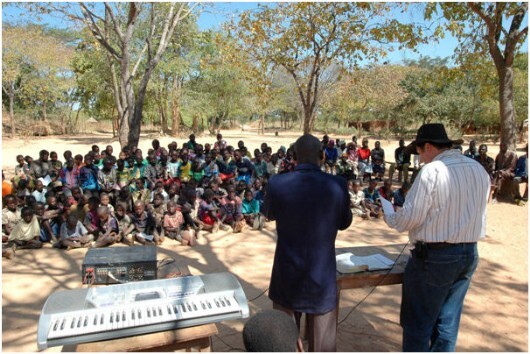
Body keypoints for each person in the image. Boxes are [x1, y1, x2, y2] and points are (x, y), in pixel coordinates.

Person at [383, 123, 489, 352]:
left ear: (428, 147)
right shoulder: (478, 169)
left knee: (418, 324)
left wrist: (390, 216)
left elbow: (410, 218)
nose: (420, 159)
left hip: (435, 258)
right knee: (447, 323)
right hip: (469, 253)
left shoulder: (433, 171)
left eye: (419, 153)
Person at [262, 134, 352, 352]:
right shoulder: (337, 184)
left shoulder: (277, 183)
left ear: (293, 156)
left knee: (284, 341)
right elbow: (344, 222)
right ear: (322, 156)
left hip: (287, 274)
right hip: (321, 276)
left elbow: (269, 214)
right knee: (323, 345)